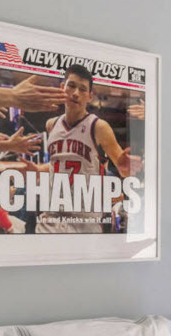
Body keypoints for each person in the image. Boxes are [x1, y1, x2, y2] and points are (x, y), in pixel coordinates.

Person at [36, 64, 142, 233]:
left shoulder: (98, 127)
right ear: (62, 87)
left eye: (82, 89)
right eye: (71, 86)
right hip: (52, 218)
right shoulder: (51, 125)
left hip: (84, 221)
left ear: (90, 96)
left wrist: (124, 167)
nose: (75, 93)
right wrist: (36, 169)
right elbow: (57, 165)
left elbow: (122, 170)